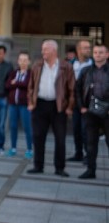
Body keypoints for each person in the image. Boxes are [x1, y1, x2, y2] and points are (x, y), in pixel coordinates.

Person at [26, 40, 75, 177]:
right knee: (38, 137)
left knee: (60, 139)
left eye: (45, 49)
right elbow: (30, 86)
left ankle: (59, 168)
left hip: (58, 106)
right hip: (40, 105)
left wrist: (70, 106)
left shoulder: (65, 67)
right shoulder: (37, 65)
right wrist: (31, 102)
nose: (43, 52)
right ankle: (38, 165)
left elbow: (72, 89)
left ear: (54, 51)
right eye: (42, 49)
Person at [75, 43, 108, 180]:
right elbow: (77, 90)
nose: (98, 55)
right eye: (95, 52)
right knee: (90, 142)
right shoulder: (85, 71)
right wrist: (81, 106)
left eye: (101, 52)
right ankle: (90, 170)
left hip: (107, 112)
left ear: (107, 54)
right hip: (90, 111)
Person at [4, 51, 33, 159]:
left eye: (25, 60)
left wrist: (15, 83)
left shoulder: (31, 74)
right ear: (18, 61)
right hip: (13, 104)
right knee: (13, 126)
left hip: (24, 105)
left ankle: (30, 149)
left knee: (27, 127)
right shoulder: (13, 73)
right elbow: (7, 85)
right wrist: (15, 83)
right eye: (21, 60)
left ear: (29, 62)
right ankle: (13, 148)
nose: (23, 62)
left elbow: (27, 85)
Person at [68, 39, 93, 163]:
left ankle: (88, 156)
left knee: (86, 130)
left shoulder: (93, 65)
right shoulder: (71, 64)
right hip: (75, 102)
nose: (88, 50)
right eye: (85, 48)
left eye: (89, 48)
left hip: (87, 103)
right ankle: (78, 154)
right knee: (76, 129)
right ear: (78, 50)